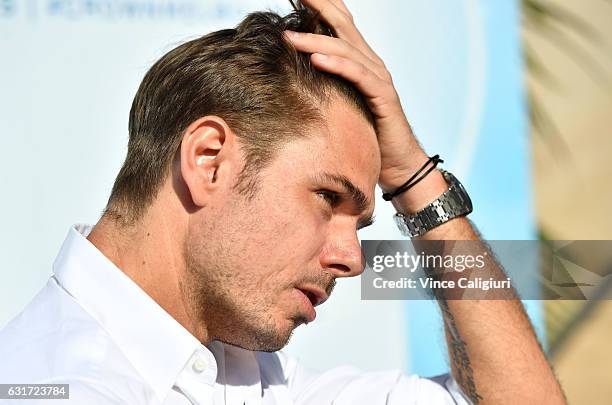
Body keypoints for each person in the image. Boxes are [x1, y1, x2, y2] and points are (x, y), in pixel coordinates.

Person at [0, 0, 565, 404]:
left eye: (362, 222)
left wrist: (413, 175)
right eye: (327, 197)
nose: (353, 259)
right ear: (209, 160)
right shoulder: (57, 385)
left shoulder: (260, 379)